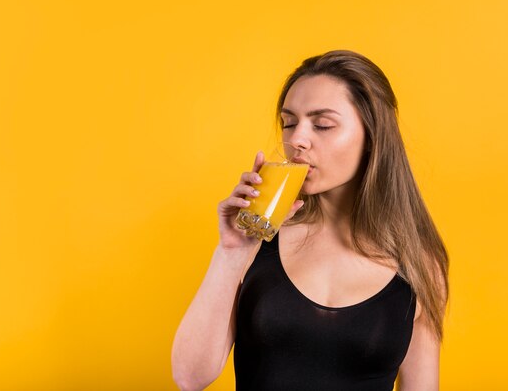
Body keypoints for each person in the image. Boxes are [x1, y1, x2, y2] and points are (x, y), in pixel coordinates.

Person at [171, 50, 449, 391]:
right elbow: (189, 377)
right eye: (289, 123)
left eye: (322, 125)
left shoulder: (419, 264)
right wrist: (230, 252)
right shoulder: (258, 241)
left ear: (372, 136)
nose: (297, 140)